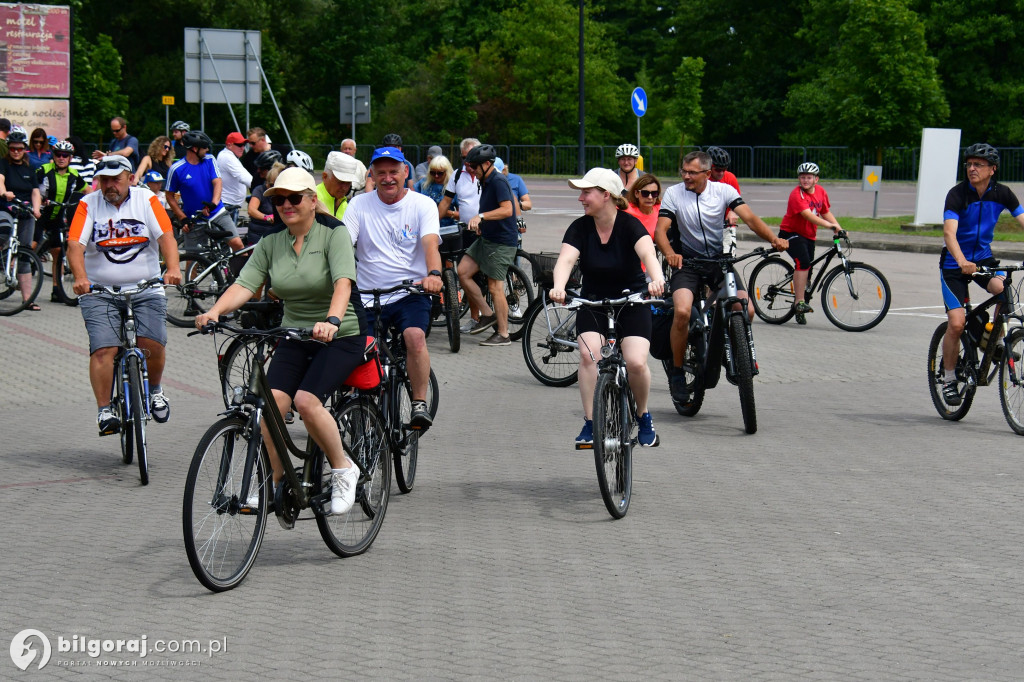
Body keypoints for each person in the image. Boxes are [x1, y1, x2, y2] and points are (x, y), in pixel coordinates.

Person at [194, 167, 366, 514]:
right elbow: (245, 284)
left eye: (294, 198)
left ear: (312, 200)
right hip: (295, 334)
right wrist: (215, 312)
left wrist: (332, 320)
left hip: (342, 334)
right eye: (279, 199)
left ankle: (344, 468)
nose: (286, 205)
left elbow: (343, 283)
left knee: (306, 401)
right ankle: (273, 481)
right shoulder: (272, 242)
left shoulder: (333, 233)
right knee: (270, 404)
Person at [655, 150, 788, 405]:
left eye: (692, 172)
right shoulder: (674, 193)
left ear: (707, 173)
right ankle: (677, 372)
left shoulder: (723, 192)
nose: (686, 176)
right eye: (683, 171)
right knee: (682, 312)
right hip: (687, 263)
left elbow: (749, 218)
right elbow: (660, 230)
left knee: (745, 308)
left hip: (718, 261)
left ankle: (734, 352)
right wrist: (670, 254)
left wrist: (773, 239)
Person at [548, 167, 665, 447]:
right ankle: (591, 423)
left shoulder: (629, 225)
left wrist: (657, 280)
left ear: (606, 195)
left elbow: (648, 254)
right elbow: (565, 260)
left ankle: (643, 415)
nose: (581, 198)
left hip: (631, 301)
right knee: (589, 358)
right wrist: (560, 286)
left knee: (636, 362)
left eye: (586, 192)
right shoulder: (580, 227)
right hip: (593, 301)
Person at [66, 155, 182, 435]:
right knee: (104, 348)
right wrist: (81, 278)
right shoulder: (88, 204)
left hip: (145, 287)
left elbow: (166, 237)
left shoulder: (147, 200)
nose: (108, 185)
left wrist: (174, 268)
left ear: (130, 178)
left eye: (114, 179)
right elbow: (74, 245)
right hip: (99, 291)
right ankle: (105, 410)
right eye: (103, 179)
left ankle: (154, 391)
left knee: (151, 342)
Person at [344, 146, 442, 427]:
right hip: (367, 295)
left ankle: (418, 402)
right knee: (357, 347)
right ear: (371, 175)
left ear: (405, 172)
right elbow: (343, 245)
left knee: (414, 337)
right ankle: (354, 404)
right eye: (381, 173)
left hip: (409, 292)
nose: (388, 178)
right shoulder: (358, 205)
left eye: (393, 172)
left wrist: (433, 274)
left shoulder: (423, 205)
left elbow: (430, 245)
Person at [939, 143, 1024, 406]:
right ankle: (950, 378)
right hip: (955, 265)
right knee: (956, 323)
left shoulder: (1003, 194)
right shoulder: (957, 194)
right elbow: (949, 233)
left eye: (978, 165)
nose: (972, 169)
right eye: (969, 164)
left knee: (1003, 289)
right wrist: (962, 260)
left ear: (992, 169)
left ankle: (993, 339)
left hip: (984, 259)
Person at [456, 144, 519, 346]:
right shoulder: (485, 180)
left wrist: (481, 216)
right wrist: (483, 223)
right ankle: (488, 313)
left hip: (501, 242)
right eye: (469, 166)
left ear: (486, 164)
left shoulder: (498, 180)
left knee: (495, 287)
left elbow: (508, 210)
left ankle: (503, 334)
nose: (471, 170)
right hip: (487, 238)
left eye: (474, 166)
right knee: (463, 272)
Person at [777, 162, 842, 324]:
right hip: (790, 233)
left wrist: (839, 228)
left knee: (808, 271)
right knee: (803, 262)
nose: (805, 180)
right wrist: (829, 226)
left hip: (808, 235)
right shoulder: (796, 195)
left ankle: (799, 307)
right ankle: (799, 302)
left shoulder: (821, 192)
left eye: (809, 177)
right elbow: (808, 215)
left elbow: (825, 211)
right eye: (802, 177)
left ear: (816, 179)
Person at [164, 130, 244, 252]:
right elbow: (169, 196)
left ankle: (239, 270)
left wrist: (213, 203)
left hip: (217, 212)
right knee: (192, 260)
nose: (207, 150)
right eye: (204, 147)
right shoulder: (177, 169)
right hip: (194, 219)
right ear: (195, 149)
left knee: (237, 244)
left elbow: (217, 182)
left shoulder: (210, 160)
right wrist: (183, 218)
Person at [437, 138, 481, 329]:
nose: (469, 164)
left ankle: (501, 316)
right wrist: (432, 224)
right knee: (468, 275)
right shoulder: (457, 175)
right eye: (465, 159)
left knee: (492, 279)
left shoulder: (489, 173)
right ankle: (475, 318)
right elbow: (446, 202)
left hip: (488, 231)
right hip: (467, 231)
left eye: (472, 159)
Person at [36, 139, 87, 301]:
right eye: (58, 154)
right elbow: (33, 188)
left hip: (58, 216)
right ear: (54, 155)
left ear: (70, 158)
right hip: (41, 214)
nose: (61, 157)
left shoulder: (73, 175)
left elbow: (88, 190)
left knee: (58, 252)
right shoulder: (44, 170)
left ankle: (56, 290)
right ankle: (22, 267)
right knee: (32, 245)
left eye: (65, 155)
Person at [0, 129, 43, 310]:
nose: (16, 152)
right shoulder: (3, 164)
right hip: (6, 207)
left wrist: (36, 208)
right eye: (12, 149)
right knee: (3, 232)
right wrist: (4, 192)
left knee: (25, 253)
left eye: (19, 148)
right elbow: (0, 180)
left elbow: (35, 191)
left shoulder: (30, 168)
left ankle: (27, 300)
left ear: (25, 148)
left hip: (25, 212)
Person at [247, 154, 285, 244]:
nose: (271, 189)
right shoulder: (259, 190)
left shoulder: (284, 194)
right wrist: (267, 217)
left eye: (274, 186)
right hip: (259, 234)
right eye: (270, 185)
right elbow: (251, 210)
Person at [217, 132, 254, 224]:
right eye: (239, 145)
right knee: (231, 238)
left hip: (231, 205)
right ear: (229, 145)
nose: (242, 148)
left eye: (244, 145)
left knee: (230, 237)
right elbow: (246, 178)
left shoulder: (229, 156)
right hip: (228, 205)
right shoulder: (227, 157)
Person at [414, 154, 458, 229]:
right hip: (424, 227)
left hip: (446, 229)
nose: (436, 176)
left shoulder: (454, 186)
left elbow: (463, 215)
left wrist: (446, 213)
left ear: (447, 172)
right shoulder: (423, 183)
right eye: (433, 173)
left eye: (440, 173)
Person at [317, 151, 359, 220]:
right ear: (325, 177)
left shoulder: (345, 205)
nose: (345, 188)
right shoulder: (312, 200)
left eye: (349, 182)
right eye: (341, 182)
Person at [707, 146, 741, 228]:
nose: (721, 173)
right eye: (718, 170)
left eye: (724, 169)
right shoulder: (702, 179)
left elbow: (738, 203)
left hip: (726, 224)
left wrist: (733, 212)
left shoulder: (730, 177)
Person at [625, 173, 661, 238]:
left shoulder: (662, 209)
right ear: (636, 193)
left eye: (654, 193)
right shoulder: (626, 210)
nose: (650, 197)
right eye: (645, 193)